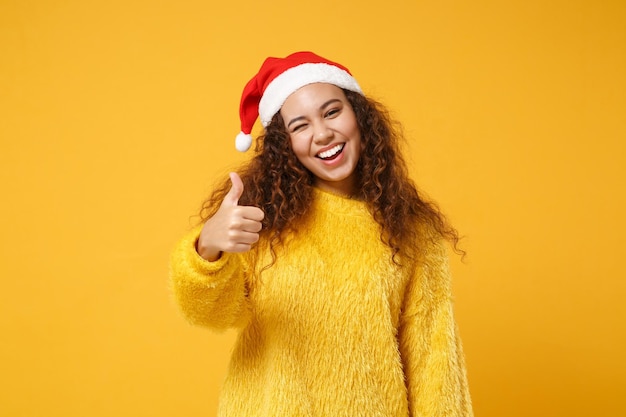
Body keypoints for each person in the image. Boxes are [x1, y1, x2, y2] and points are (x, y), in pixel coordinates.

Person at [170, 51, 473, 417]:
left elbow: (435, 362)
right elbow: (211, 314)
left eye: (332, 112)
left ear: (360, 116)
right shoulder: (258, 217)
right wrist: (208, 249)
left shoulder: (413, 230)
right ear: (285, 144)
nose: (322, 133)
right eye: (300, 126)